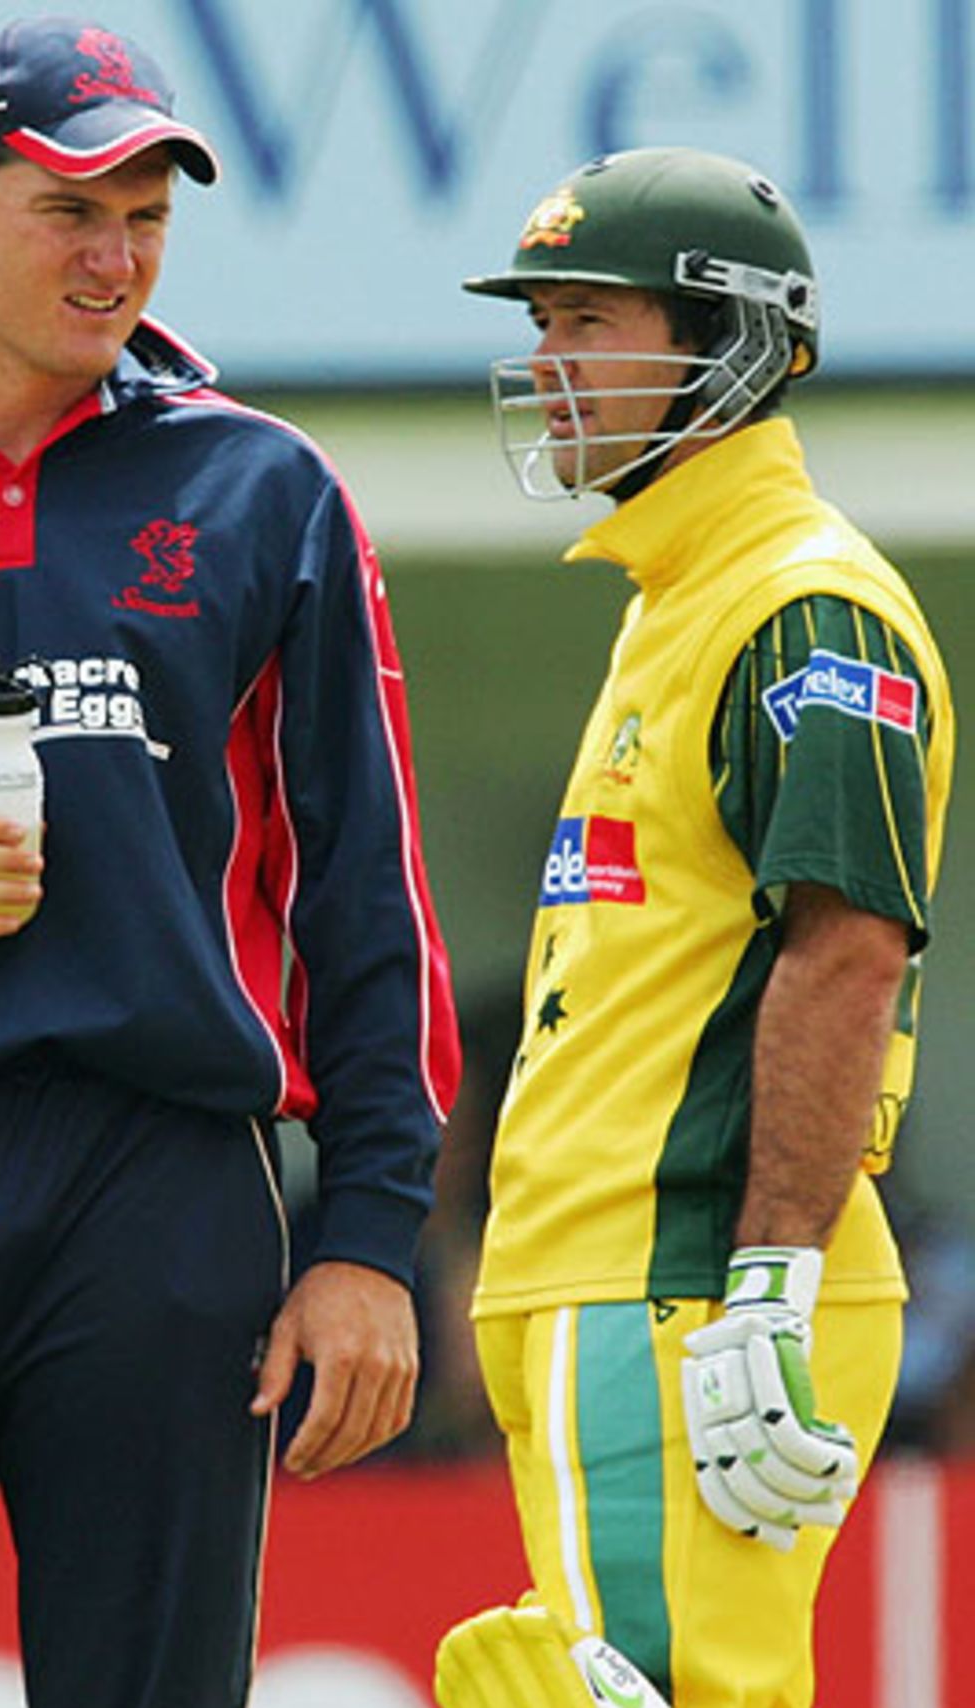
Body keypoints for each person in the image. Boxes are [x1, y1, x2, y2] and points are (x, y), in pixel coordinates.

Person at [0, 17, 460, 1708]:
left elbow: (367, 896)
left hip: (164, 1185)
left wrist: (371, 1238)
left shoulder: (266, 490)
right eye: (67, 210)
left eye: (148, 216)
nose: (115, 259)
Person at [434, 147, 954, 1708]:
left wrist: (769, 1291)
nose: (545, 363)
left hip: (684, 1286)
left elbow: (847, 949)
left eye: (586, 320)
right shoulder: (684, 593)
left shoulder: (803, 604)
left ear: (727, 342)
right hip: (621, 1285)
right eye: (543, 324)